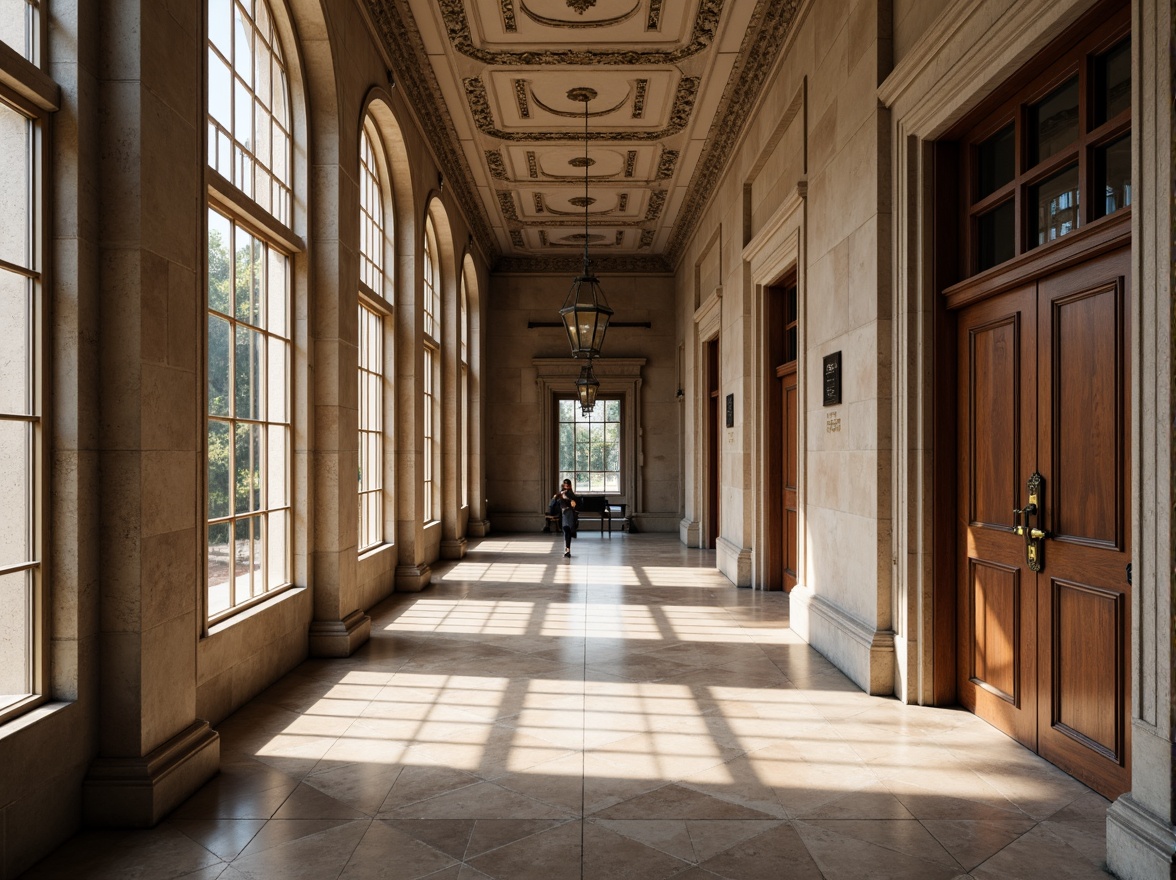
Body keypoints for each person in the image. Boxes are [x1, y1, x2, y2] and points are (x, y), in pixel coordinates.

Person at [553, 478, 578, 557]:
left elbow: (574, 504)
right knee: (565, 532)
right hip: (563, 515)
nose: (566, 487)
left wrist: (567, 498)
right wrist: (558, 496)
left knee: (568, 532)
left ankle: (568, 550)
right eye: (565, 485)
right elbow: (554, 503)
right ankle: (567, 549)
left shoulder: (571, 494)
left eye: (567, 485)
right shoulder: (560, 494)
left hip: (569, 514)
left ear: (570, 486)